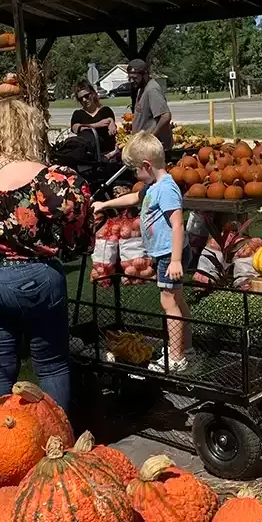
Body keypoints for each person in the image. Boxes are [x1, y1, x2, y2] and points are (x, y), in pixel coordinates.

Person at [0, 97, 93, 411]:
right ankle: (57, 442)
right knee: (51, 366)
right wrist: (67, 246)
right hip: (35, 276)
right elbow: (77, 222)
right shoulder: (47, 178)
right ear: (31, 130)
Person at [93, 131, 191, 373]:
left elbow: (178, 223)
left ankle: (177, 357)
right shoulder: (152, 187)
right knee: (176, 300)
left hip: (171, 254)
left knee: (168, 301)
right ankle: (185, 347)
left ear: (146, 165)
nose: (134, 175)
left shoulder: (166, 189)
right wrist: (105, 204)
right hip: (165, 254)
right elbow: (133, 198)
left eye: (135, 170)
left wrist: (176, 260)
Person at [127, 58, 173, 156]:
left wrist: (151, 137)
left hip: (153, 149)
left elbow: (165, 116)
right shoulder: (141, 89)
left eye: (135, 78)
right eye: (129, 78)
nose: (131, 81)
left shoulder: (152, 90)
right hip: (143, 147)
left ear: (145, 74)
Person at [70, 81, 118, 158]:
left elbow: (111, 122)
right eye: (80, 99)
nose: (84, 100)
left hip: (108, 153)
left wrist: (112, 122)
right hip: (88, 154)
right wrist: (96, 125)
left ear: (92, 94)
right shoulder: (78, 114)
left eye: (86, 96)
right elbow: (75, 128)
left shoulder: (105, 110)